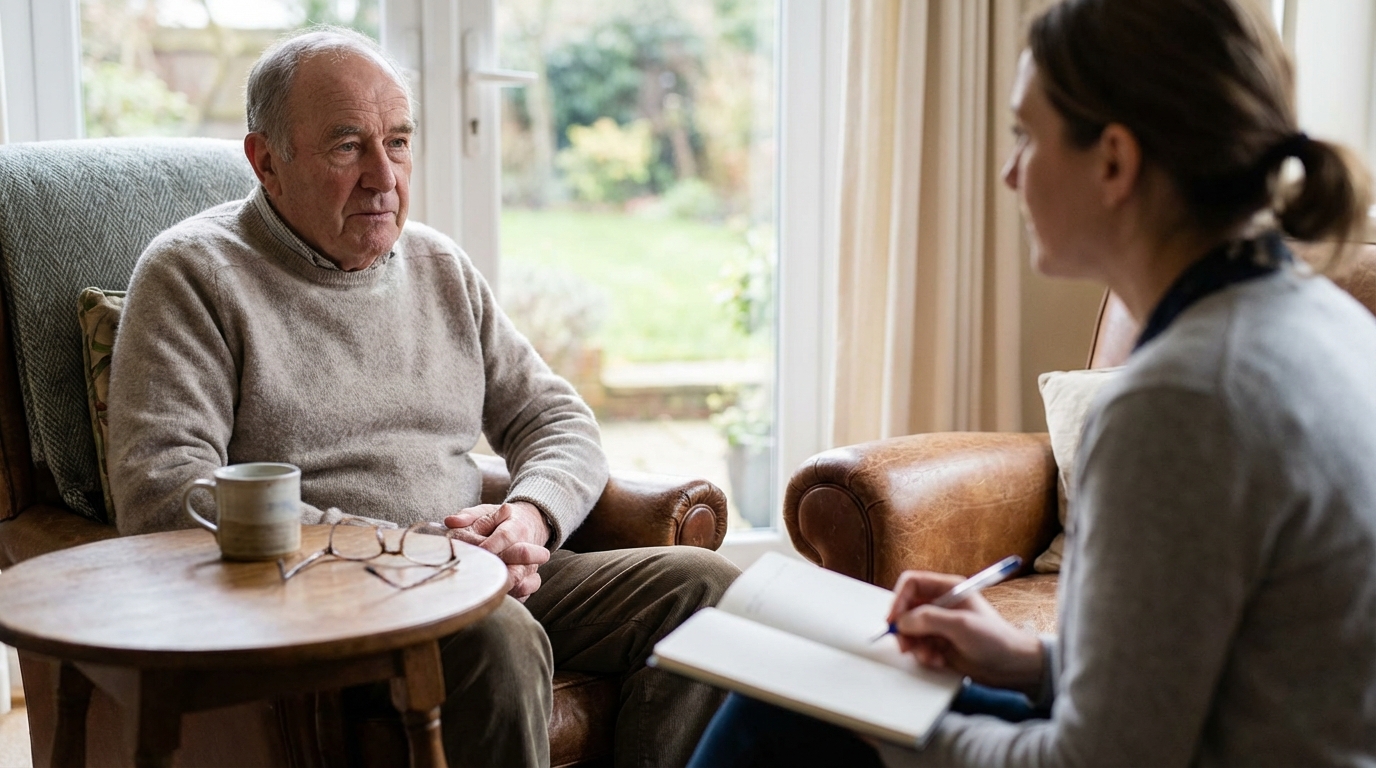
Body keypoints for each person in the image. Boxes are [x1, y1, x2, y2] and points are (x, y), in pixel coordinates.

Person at [687, 0, 1376, 765]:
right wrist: (1022, 660)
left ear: (1114, 161)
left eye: (1026, 135)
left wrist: (872, 720)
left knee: (784, 708)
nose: (1011, 173)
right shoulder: (1335, 330)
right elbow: (1210, 683)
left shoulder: (1180, 403)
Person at [105, 27, 738, 768]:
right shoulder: (193, 274)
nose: (384, 176)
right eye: (348, 146)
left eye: (398, 142)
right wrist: (406, 554)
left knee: (708, 590)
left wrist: (528, 520)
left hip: (472, 568)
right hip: (324, 597)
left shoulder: (439, 265)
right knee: (495, 632)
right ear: (266, 161)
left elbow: (555, 416)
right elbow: (164, 490)